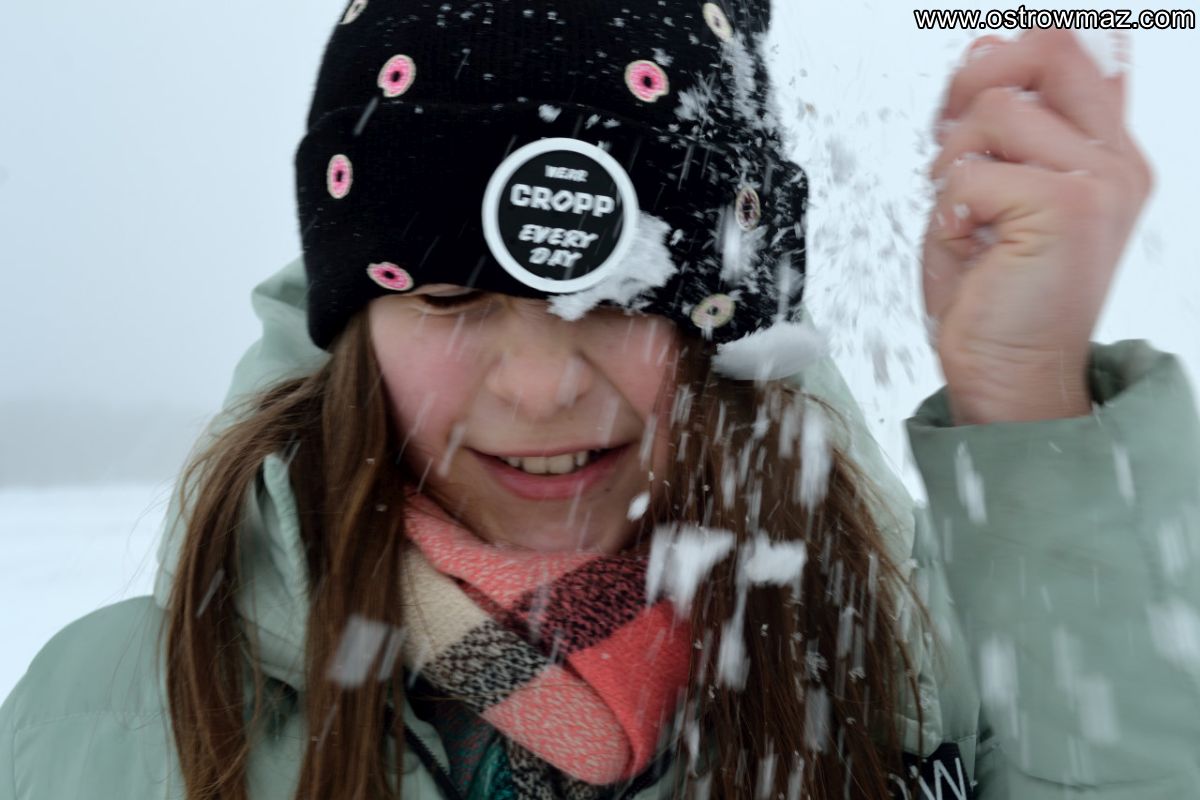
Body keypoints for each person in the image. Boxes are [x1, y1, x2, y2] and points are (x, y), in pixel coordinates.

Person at [2, 2, 1197, 798]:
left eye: (618, 297)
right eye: (451, 295)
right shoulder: (118, 721)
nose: (539, 385)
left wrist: (1026, 401)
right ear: (355, 322)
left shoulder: (917, 649)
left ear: (724, 319)